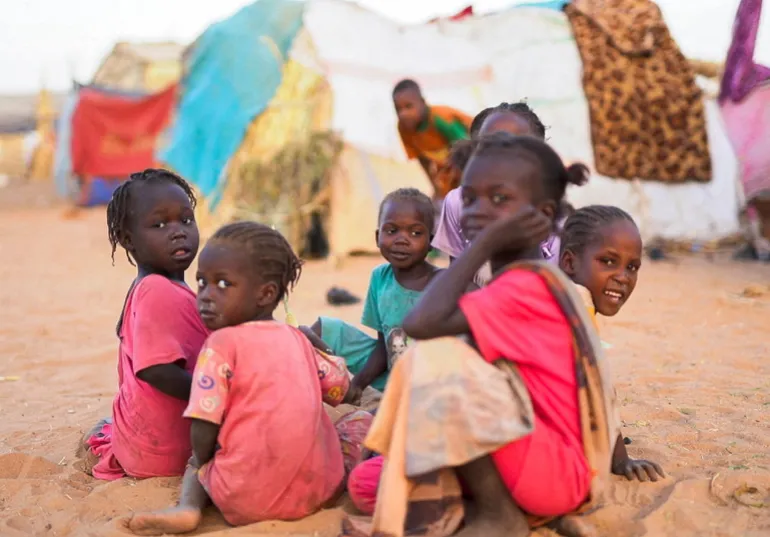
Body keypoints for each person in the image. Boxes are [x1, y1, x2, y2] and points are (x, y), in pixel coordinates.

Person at [346, 134, 663, 537]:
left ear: (541, 216)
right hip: (533, 461)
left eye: (499, 199)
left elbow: (421, 324)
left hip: (553, 473)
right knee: (367, 482)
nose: (477, 210)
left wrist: (482, 246)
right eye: (470, 198)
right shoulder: (526, 279)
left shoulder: (526, 287)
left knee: (435, 361)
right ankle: (515, 509)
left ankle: (500, 516)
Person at [127, 222, 370, 535]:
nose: (206, 296)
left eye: (223, 284)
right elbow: (340, 390)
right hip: (316, 494)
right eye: (202, 282)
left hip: (241, 500)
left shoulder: (219, 345)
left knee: (196, 463)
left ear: (266, 294)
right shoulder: (297, 339)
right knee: (359, 422)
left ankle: (188, 508)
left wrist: (203, 459)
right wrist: (320, 347)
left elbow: (204, 422)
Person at [78, 169, 209, 481]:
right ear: (128, 239)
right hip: (166, 454)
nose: (178, 232)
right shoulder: (156, 290)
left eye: (186, 220)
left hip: (161, 448)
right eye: (160, 224)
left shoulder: (153, 288)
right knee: (105, 428)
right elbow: (156, 370)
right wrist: (214, 397)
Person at [302, 188, 441, 400]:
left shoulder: (442, 283)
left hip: (431, 381)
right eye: (392, 231)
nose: (401, 240)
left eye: (415, 233)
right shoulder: (380, 277)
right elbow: (383, 346)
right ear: (377, 237)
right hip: (392, 370)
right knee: (324, 328)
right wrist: (358, 385)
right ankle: (297, 390)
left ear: (431, 241)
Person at [432, 102, 574, 287]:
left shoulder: (559, 218)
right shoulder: (458, 202)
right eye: (488, 146)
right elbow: (457, 280)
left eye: (515, 148)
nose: (499, 157)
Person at [393, 79, 472, 200]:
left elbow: (468, 149)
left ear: (423, 102)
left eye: (409, 106)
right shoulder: (404, 129)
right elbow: (423, 160)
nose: (403, 114)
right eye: (398, 109)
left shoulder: (440, 118)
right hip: (450, 167)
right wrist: (436, 189)